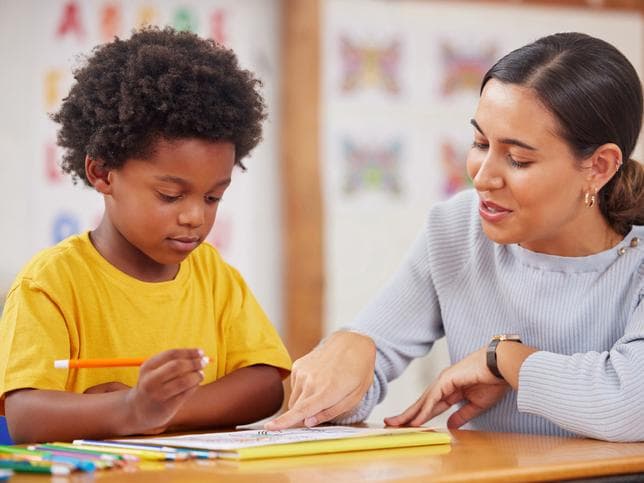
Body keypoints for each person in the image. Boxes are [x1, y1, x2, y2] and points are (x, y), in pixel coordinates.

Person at [267, 32, 644, 442]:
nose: (481, 176)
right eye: (480, 142)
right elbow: (366, 375)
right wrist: (350, 352)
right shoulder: (456, 229)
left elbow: (628, 407)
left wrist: (503, 359)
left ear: (599, 166)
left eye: (518, 159)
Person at [0, 27, 291, 444]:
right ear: (102, 172)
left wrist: (164, 409)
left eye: (212, 197)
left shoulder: (212, 275)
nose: (194, 216)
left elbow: (265, 385)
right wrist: (130, 409)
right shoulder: (50, 283)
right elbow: (26, 416)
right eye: (170, 195)